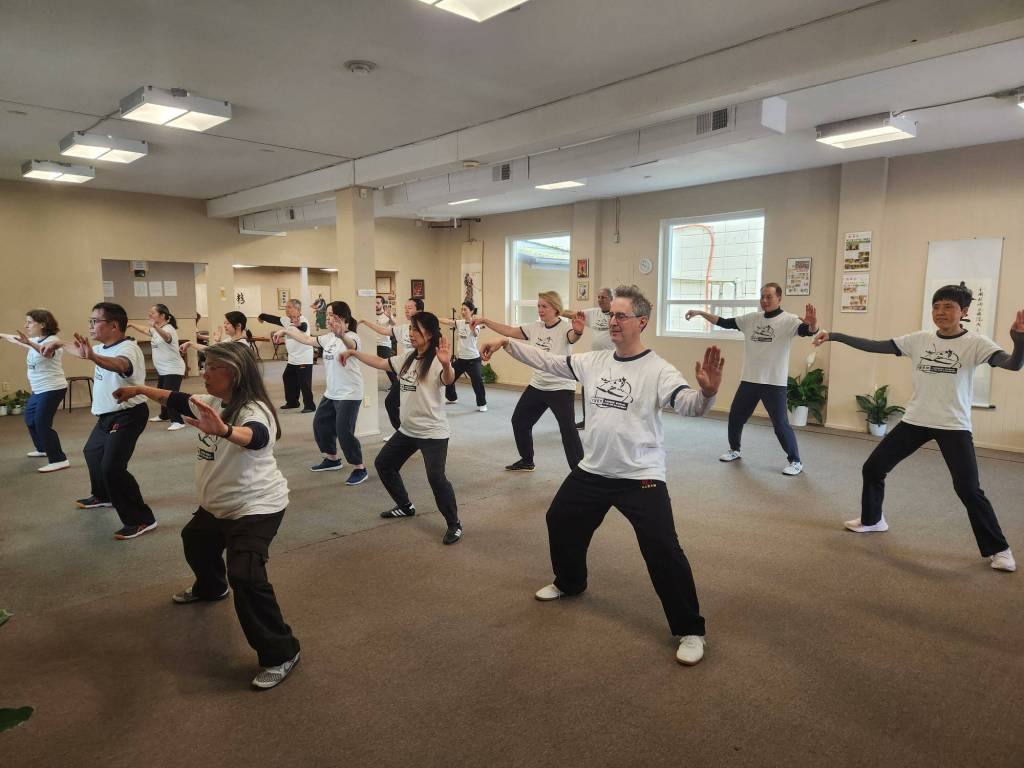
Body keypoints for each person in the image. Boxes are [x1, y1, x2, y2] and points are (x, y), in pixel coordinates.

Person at [479, 285, 724, 666]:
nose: (613, 321)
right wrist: (504, 344)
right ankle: (570, 582)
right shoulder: (595, 361)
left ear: (642, 322)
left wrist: (706, 394)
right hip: (593, 470)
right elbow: (550, 362)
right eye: (612, 316)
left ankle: (690, 629)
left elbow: (687, 405)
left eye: (622, 316)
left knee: (663, 549)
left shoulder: (659, 370)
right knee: (559, 519)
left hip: (640, 474)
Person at [112, 341, 301, 689]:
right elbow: (174, 398)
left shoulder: (254, 410)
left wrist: (226, 431)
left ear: (234, 372)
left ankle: (281, 652)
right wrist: (139, 388)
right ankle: (212, 587)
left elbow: (256, 437)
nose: (203, 371)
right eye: (205, 364)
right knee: (195, 541)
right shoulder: (213, 401)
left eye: (212, 367)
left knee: (245, 576)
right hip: (217, 505)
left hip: (256, 507)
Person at [813, 284, 1024, 572]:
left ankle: (999, 549)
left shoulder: (976, 343)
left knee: (968, 488)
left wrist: (1019, 341)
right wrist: (835, 336)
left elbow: (1013, 365)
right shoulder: (919, 339)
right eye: (936, 307)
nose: (940, 313)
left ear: (964, 312)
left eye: (948, 307)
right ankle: (873, 520)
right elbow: (876, 345)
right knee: (873, 468)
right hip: (916, 420)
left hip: (953, 425)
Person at [338, 312, 462, 545]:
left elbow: (448, 379)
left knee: (436, 478)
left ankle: (454, 524)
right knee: (384, 464)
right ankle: (405, 506)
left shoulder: (437, 359)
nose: (411, 333)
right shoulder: (407, 357)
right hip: (408, 430)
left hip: (432, 432)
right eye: (411, 329)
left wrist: (446, 364)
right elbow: (381, 362)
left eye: (416, 329)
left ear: (430, 333)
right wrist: (354, 352)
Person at [41, 302, 156, 540]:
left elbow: (121, 365)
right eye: (90, 321)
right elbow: (80, 350)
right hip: (106, 415)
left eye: (95, 321)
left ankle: (142, 519)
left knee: (112, 467)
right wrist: (59, 342)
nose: (91, 326)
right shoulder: (104, 346)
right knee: (92, 453)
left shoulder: (128, 348)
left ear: (114, 325)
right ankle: (103, 496)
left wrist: (93, 356)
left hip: (128, 415)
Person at [685, 283, 817, 476]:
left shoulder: (789, 320)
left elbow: (808, 331)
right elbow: (724, 321)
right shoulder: (751, 319)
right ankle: (735, 450)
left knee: (780, 424)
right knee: (736, 416)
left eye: (769, 297)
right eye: (762, 297)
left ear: (779, 299)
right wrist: (700, 312)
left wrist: (812, 324)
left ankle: (795, 461)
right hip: (750, 379)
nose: (764, 300)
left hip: (773, 381)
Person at [472, 291, 584, 472]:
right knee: (520, 421)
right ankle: (527, 460)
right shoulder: (535, 327)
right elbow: (508, 331)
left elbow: (573, 337)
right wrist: (485, 321)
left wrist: (578, 330)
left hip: (561, 386)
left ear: (555, 308)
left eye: (544, 306)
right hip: (538, 384)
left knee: (568, 430)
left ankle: (580, 473)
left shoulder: (565, 327)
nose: (540, 310)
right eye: (538, 306)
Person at [273, 301, 368, 486]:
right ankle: (332, 459)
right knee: (320, 425)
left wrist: (342, 336)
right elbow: (307, 340)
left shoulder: (353, 336)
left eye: (331, 314)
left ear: (342, 317)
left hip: (349, 393)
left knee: (344, 432)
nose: (328, 317)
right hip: (331, 392)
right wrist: (285, 331)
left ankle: (359, 468)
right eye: (328, 314)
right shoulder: (328, 338)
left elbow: (352, 347)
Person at [1, 309, 69, 472]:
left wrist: (29, 343)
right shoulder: (37, 339)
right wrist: (2, 335)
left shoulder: (53, 340)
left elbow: (46, 353)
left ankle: (59, 459)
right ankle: (43, 448)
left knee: (42, 423)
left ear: (43, 324)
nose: (26, 325)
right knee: (30, 419)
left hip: (52, 389)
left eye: (30, 322)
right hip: (39, 390)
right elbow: (15, 339)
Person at [362, 297, 423, 431]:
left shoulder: (426, 329)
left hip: (422, 374)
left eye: (410, 308)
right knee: (391, 403)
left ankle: (418, 434)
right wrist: (366, 322)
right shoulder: (403, 329)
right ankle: (401, 432)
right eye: (405, 308)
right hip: (407, 371)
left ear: (419, 310)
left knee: (417, 405)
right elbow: (383, 331)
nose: (406, 311)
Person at [128, 303, 187, 431]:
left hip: (173, 369)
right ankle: (164, 415)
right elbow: (145, 329)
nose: (150, 315)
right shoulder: (156, 329)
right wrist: (131, 324)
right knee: (160, 392)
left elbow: (167, 337)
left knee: (169, 395)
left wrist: (154, 326)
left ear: (162, 316)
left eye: (153, 313)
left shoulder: (169, 328)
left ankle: (178, 421)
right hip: (163, 369)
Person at [562, 286, 614, 428]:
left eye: (603, 297)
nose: (600, 300)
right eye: (599, 297)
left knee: (609, 391)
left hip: (612, 360)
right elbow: (573, 314)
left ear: (611, 299)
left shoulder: (617, 314)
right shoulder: (593, 313)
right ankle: (587, 420)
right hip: (595, 359)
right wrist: (556, 309)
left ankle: (607, 422)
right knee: (587, 387)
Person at [259, 300, 315, 413]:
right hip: (293, 359)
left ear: (297, 309)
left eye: (289, 307)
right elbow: (274, 319)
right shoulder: (286, 320)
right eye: (286, 307)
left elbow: (303, 327)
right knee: (288, 377)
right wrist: (261, 316)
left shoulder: (303, 321)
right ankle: (292, 402)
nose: (286, 309)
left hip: (304, 358)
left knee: (304, 382)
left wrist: (294, 326)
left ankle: (310, 405)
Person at [440, 300, 487, 411]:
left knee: (477, 381)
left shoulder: (476, 324)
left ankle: (482, 404)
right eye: (461, 309)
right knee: (449, 377)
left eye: (465, 309)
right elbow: (447, 321)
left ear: (471, 311)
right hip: (461, 360)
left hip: (473, 360)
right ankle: (452, 398)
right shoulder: (459, 323)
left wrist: (472, 328)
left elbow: (476, 333)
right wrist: (434, 318)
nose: (462, 311)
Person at [181, 312, 253, 355]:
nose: (224, 325)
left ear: (238, 326)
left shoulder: (241, 344)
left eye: (228, 323)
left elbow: (212, 351)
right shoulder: (230, 340)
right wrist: (190, 343)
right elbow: (211, 349)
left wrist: (191, 343)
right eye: (224, 323)